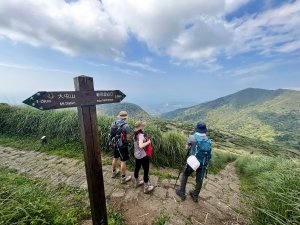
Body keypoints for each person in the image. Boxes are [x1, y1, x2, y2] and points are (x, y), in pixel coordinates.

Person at [176, 122, 212, 202]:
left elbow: (186, 147)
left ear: (197, 129)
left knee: (185, 174)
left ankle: (182, 192)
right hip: (203, 163)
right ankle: (195, 195)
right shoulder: (208, 140)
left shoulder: (192, 137)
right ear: (204, 130)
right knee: (200, 179)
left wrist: (190, 147)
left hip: (193, 162)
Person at [133, 121, 154, 193]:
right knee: (146, 170)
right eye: (143, 126)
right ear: (141, 127)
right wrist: (148, 142)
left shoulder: (135, 134)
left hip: (136, 154)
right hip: (143, 155)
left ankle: (136, 182)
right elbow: (141, 145)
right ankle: (146, 187)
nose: (144, 127)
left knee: (137, 168)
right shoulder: (141, 135)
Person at [111, 111, 132, 184]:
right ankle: (123, 178)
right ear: (125, 117)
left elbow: (112, 133)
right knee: (123, 161)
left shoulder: (114, 123)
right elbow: (128, 137)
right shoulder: (126, 126)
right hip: (122, 145)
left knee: (115, 157)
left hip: (115, 144)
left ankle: (114, 172)